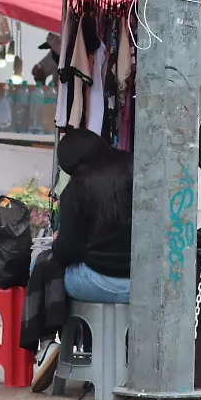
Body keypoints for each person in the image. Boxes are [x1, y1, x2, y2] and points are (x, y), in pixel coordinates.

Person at [51, 128, 133, 303]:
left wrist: (57, 242)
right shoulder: (134, 165)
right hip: (146, 281)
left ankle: (71, 330)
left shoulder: (75, 188)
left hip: (99, 280)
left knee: (42, 269)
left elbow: (67, 252)